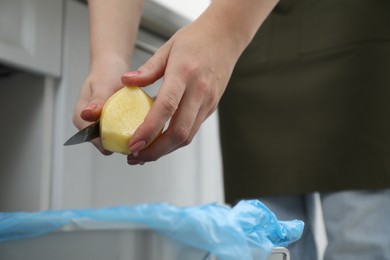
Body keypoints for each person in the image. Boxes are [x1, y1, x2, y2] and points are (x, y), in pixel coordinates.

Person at [73, 0, 390, 259]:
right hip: (249, 39)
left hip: (356, 32)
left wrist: (222, 30)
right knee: (263, 242)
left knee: (360, 244)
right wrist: (109, 56)